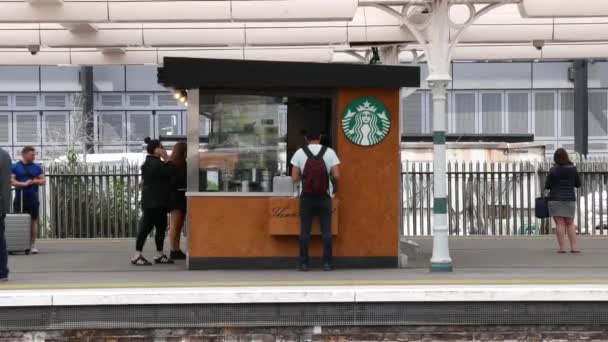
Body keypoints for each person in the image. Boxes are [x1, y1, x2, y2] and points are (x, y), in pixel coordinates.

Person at [290, 129, 340, 271]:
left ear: (306, 138)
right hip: (325, 197)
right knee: (326, 232)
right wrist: (326, 178)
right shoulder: (329, 152)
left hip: (306, 197)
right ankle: (327, 263)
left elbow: (294, 178)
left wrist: (305, 179)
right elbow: (337, 176)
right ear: (320, 137)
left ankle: (304, 263)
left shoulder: (300, 152)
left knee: (305, 232)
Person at [131, 137, 174, 266]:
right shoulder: (155, 164)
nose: (164, 150)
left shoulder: (150, 163)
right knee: (146, 228)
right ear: (156, 150)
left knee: (160, 228)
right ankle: (137, 255)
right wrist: (167, 158)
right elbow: (170, 173)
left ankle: (159, 254)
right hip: (154, 202)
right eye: (161, 147)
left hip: (155, 202)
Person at [545, 148, 581, 254]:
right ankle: (574, 247)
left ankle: (562, 248)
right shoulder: (573, 169)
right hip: (569, 199)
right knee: (570, 224)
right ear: (566, 157)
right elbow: (578, 184)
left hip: (555, 199)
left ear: (555, 158)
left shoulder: (553, 170)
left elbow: (547, 185)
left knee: (559, 224)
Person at [11, 146, 45, 254]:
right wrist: (23, 184)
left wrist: (34, 182)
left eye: (34, 154)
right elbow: (11, 181)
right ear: (24, 154)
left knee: (33, 221)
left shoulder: (37, 167)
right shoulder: (15, 167)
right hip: (20, 197)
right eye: (32, 154)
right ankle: (19, 244)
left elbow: (43, 180)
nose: (34, 156)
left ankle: (33, 245)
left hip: (32, 197)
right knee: (18, 220)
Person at [168, 142, 187, 260]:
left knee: (178, 225)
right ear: (183, 152)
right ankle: (174, 249)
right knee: (175, 225)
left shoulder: (181, 164)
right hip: (176, 197)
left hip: (180, 197)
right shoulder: (173, 165)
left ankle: (176, 248)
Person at [0, 147, 11, 281]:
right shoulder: (4, 155)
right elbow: (6, 186)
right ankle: (2, 271)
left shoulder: (2, 156)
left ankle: (2, 271)